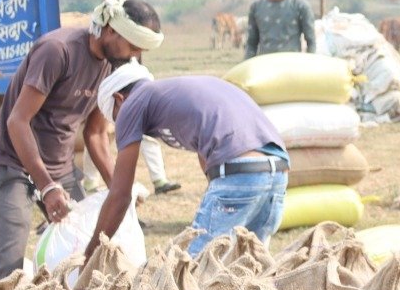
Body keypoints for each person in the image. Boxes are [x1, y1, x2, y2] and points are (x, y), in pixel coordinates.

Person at [0, 0, 163, 286]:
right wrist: (47, 186)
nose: (134, 54)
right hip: (13, 165)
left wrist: (120, 189)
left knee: (87, 246)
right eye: (131, 45)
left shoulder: (111, 67)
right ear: (110, 30)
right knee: (10, 266)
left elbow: (95, 135)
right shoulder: (58, 51)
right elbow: (17, 121)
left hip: (60, 169)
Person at [88, 68, 289, 257]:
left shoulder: (133, 102)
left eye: (117, 117)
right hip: (277, 172)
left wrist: (89, 256)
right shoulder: (173, 94)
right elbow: (205, 156)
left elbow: (120, 195)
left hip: (240, 172)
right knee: (248, 268)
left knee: (190, 273)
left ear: (119, 99)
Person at [99, 0, 182, 195]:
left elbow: (135, 62)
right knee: (98, 134)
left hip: (128, 90)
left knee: (144, 132)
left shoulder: (133, 27)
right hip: (106, 92)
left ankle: (159, 180)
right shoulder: (105, 30)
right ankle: (93, 181)